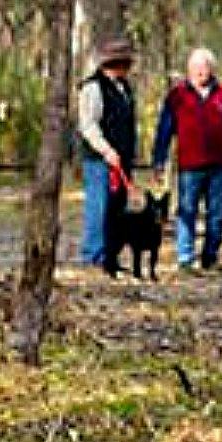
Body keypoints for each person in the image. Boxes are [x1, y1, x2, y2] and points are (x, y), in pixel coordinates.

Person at [152, 46, 222, 274]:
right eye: (195, 67)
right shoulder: (177, 96)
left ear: (211, 69)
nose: (199, 72)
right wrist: (159, 159)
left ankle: (210, 257)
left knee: (218, 214)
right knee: (186, 211)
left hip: (220, 166)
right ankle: (185, 258)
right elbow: (164, 130)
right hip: (189, 166)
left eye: (203, 67)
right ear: (188, 70)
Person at [76, 38, 141, 272]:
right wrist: (105, 150)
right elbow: (88, 125)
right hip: (99, 161)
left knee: (117, 209)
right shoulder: (92, 88)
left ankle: (111, 256)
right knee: (99, 207)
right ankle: (94, 254)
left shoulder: (124, 87)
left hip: (122, 158)